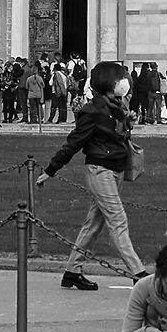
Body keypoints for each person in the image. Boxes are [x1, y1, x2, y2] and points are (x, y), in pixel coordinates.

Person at [35, 60, 147, 291]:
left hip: (115, 169)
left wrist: (129, 122)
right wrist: (50, 170)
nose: (124, 83)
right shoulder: (92, 110)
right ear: (108, 82)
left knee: (94, 223)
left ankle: (72, 271)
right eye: (119, 79)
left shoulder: (117, 106)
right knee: (118, 221)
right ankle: (139, 273)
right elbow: (74, 142)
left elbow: (116, 136)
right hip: (100, 170)